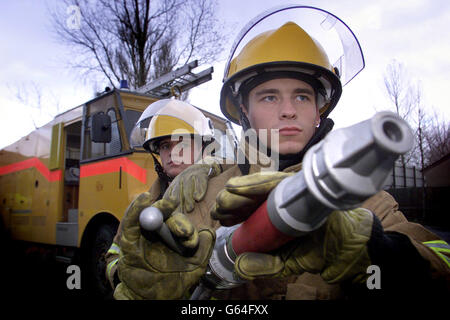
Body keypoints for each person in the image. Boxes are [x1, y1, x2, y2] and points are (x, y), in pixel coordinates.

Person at [114, 6, 450, 300]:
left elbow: (442, 264)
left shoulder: (365, 201)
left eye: (303, 96)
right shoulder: (203, 193)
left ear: (320, 111)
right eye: (270, 97)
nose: (289, 111)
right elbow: (142, 271)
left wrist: (373, 249)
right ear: (244, 111)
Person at [105, 98, 225, 291]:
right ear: (157, 154)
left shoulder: (223, 192)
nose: (173, 153)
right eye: (165, 146)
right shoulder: (143, 205)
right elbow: (115, 253)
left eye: (182, 144)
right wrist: (123, 278)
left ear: (203, 148)